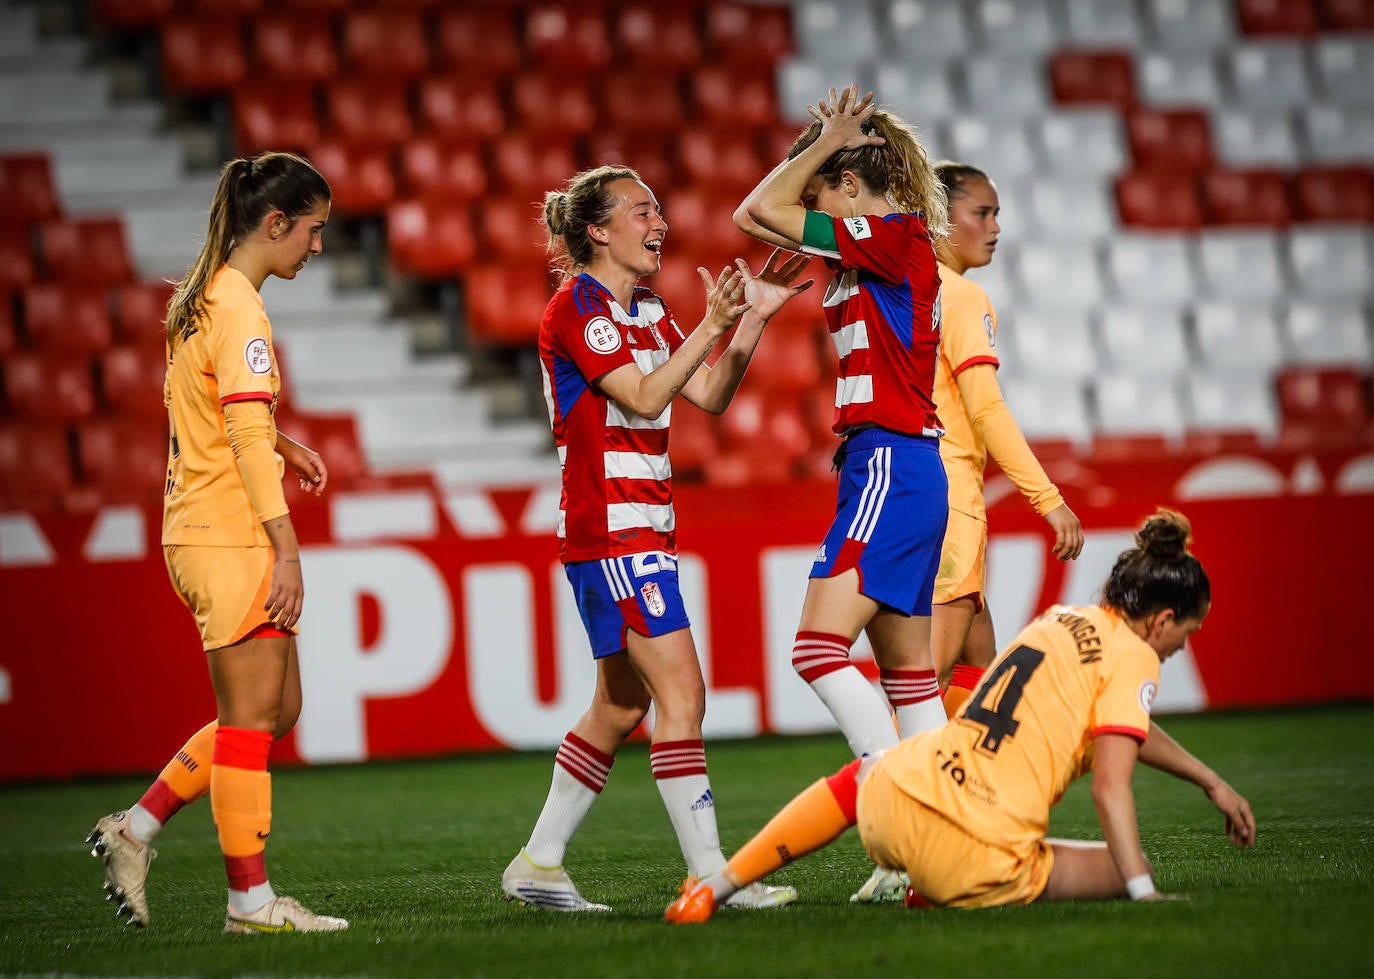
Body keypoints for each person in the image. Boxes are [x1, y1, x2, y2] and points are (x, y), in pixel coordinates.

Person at [665, 509, 1256, 922]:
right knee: (1118, 867)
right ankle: (941, 890)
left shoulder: (1062, 619)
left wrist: (1209, 780)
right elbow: (1109, 783)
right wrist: (1140, 889)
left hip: (904, 802)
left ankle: (711, 890)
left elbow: (1126, 727)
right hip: (979, 851)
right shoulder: (1135, 658)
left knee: (865, 777)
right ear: (1161, 620)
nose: (1180, 646)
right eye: (1186, 631)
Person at [500, 165, 814, 913]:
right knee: (684, 693)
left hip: (643, 526)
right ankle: (711, 872)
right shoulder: (576, 308)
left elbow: (705, 392)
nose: (660, 224)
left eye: (661, 209)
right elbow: (644, 394)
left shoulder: (644, 307)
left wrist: (752, 321)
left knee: (618, 706)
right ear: (598, 230)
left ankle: (539, 862)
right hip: (611, 529)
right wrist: (711, 324)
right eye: (643, 211)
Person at [85, 152, 347, 935]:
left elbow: (223, 415)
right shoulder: (240, 311)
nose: (317, 246)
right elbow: (236, 428)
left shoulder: (203, 298)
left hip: (199, 525)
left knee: (273, 710)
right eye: (313, 231)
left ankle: (135, 829)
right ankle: (250, 903)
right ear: (274, 225)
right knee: (250, 720)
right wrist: (287, 547)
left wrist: (282, 442)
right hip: (229, 534)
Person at [732, 84, 951, 901]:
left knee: (816, 649)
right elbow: (767, 219)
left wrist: (818, 146)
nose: (812, 205)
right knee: (910, 679)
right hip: (906, 468)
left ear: (851, 190)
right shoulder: (886, 246)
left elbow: (757, 206)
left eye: (823, 189)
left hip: (888, 463)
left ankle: (896, 810)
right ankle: (928, 857)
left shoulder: (889, 236)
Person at [928, 161, 1084, 722]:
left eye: (998, 214)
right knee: (924, 683)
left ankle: (969, 792)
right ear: (939, 220)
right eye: (982, 213)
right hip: (949, 495)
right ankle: (882, 800)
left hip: (907, 486)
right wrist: (1050, 500)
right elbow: (986, 409)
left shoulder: (905, 288)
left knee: (977, 655)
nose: (996, 227)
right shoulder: (962, 296)